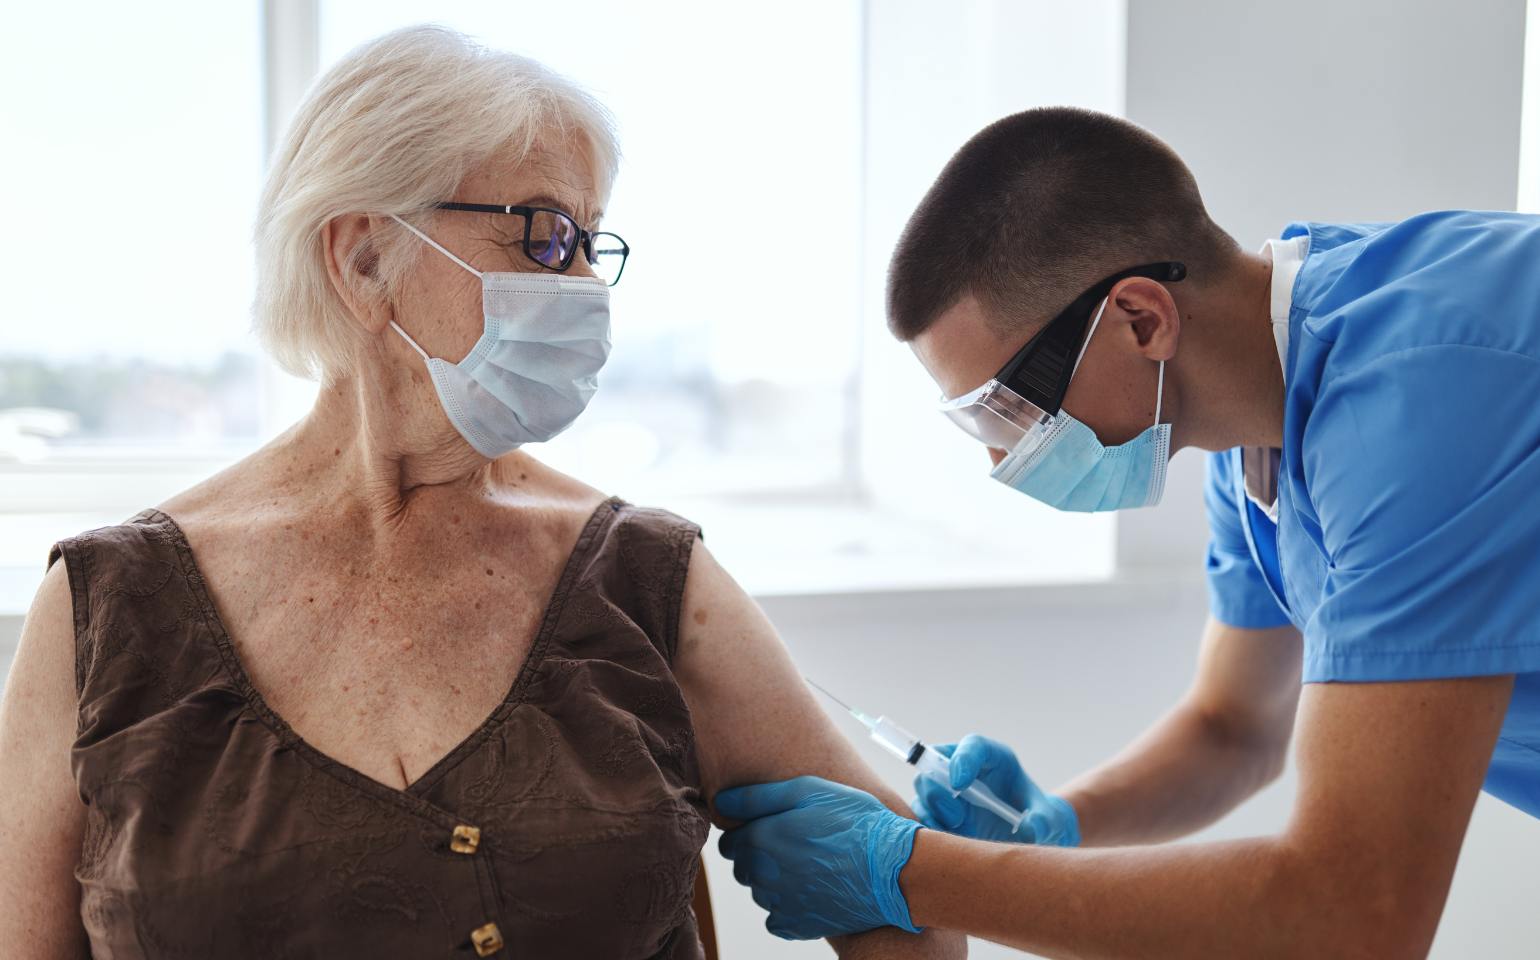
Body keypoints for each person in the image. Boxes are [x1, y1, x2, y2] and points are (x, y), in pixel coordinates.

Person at [0, 26, 965, 960]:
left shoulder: (643, 577)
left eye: (592, 243)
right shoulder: (106, 609)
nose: (585, 285)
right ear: (364, 259)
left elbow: (909, 903)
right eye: (546, 236)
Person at [714, 106, 1540, 958]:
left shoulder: (1414, 403)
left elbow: (1350, 916)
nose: (1001, 457)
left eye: (1007, 410)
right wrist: (1058, 825)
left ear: (1142, 318)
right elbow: (1233, 728)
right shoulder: (1265, 423)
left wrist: (914, 872)